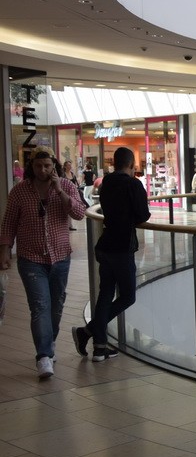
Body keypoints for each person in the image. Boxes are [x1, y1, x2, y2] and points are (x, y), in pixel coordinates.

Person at [0, 147, 87, 378]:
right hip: (31, 258)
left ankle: (49, 344)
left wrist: (60, 191)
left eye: (47, 166)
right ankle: (44, 356)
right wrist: (5, 250)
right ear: (32, 167)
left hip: (60, 256)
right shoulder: (19, 191)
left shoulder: (66, 186)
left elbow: (79, 213)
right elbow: (8, 222)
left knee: (56, 305)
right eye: (38, 166)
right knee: (40, 306)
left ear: (54, 166)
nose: (43, 170)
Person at [72, 147, 151, 362]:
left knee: (106, 293)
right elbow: (143, 214)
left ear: (114, 163)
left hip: (105, 245)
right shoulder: (133, 184)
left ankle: (99, 347)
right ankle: (87, 331)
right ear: (131, 164)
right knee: (127, 296)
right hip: (121, 247)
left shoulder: (106, 183)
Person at [62, 159, 81, 231]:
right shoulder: (63, 174)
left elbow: (75, 183)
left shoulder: (72, 174)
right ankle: (67, 225)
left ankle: (70, 225)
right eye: (68, 165)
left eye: (70, 165)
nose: (70, 166)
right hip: (64, 193)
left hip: (72, 193)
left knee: (71, 208)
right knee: (65, 209)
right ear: (65, 166)